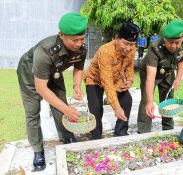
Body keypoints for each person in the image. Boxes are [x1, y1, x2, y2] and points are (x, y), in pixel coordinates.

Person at [17, 13, 88, 171]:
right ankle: (38, 150)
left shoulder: (81, 48)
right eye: (74, 40)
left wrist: (77, 86)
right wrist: (67, 109)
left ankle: (67, 137)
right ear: (61, 35)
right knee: (33, 112)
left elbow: (78, 68)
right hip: (30, 75)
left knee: (60, 105)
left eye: (82, 38)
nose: (79, 43)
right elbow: (41, 87)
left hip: (54, 73)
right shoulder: (45, 51)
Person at [85, 21, 140, 139]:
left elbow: (130, 68)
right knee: (96, 109)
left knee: (127, 100)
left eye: (132, 44)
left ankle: (121, 131)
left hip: (116, 79)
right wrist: (116, 107)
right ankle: (96, 136)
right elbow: (106, 81)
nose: (128, 48)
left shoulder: (131, 49)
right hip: (95, 80)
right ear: (117, 38)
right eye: (125, 43)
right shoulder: (105, 51)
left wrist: (129, 81)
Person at [137, 20, 183, 133]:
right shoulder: (155, 47)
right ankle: (143, 131)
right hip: (149, 72)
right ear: (164, 38)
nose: (174, 46)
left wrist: (178, 78)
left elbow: (182, 61)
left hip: (168, 71)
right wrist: (151, 101)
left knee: (168, 98)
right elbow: (151, 76)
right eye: (170, 42)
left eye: (177, 42)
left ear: (182, 39)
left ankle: (168, 129)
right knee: (146, 100)